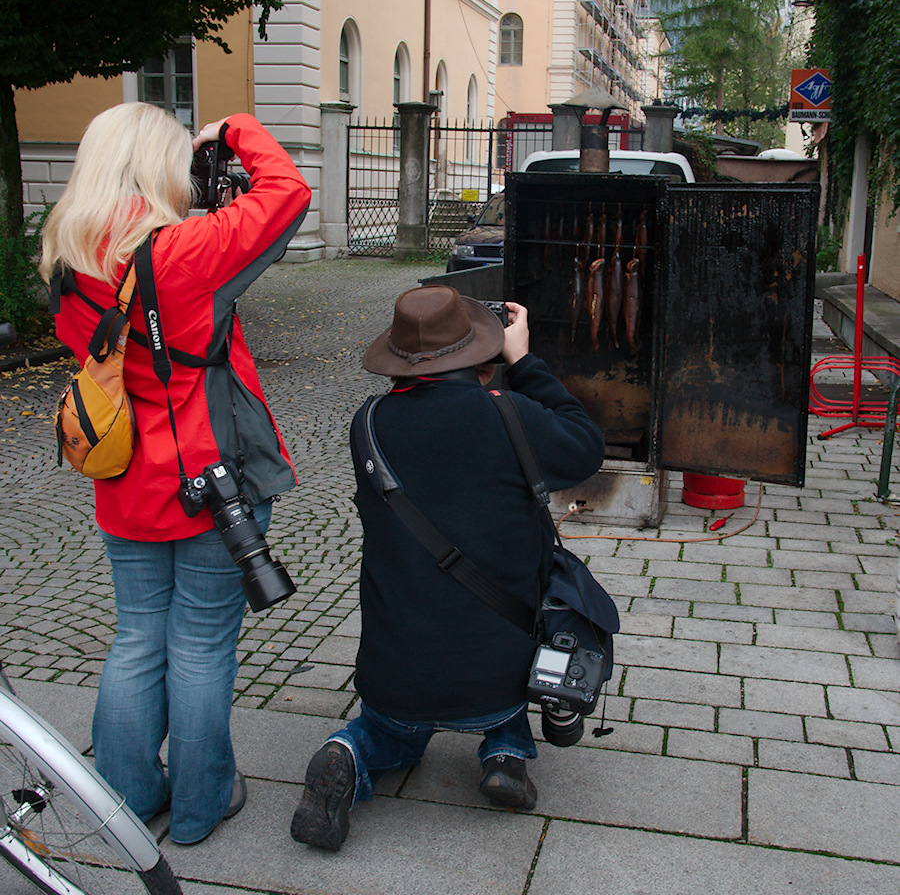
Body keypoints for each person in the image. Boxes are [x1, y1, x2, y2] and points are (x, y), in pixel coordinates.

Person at [40, 103, 310, 845]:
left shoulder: (67, 252)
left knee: (135, 641)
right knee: (198, 648)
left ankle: (126, 801)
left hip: (123, 478)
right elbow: (286, 193)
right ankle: (199, 807)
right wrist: (234, 130)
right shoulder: (185, 248)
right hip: (208, 482)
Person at [290, 284, 605, 852]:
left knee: (390, 733)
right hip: (497, 673)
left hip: (395, 669)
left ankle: (349, 752)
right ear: (480, 356)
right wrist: (524, 360)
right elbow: (585, 448)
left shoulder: (369, 422)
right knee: (504, 709)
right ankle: (505, 755)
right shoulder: (510, 414)